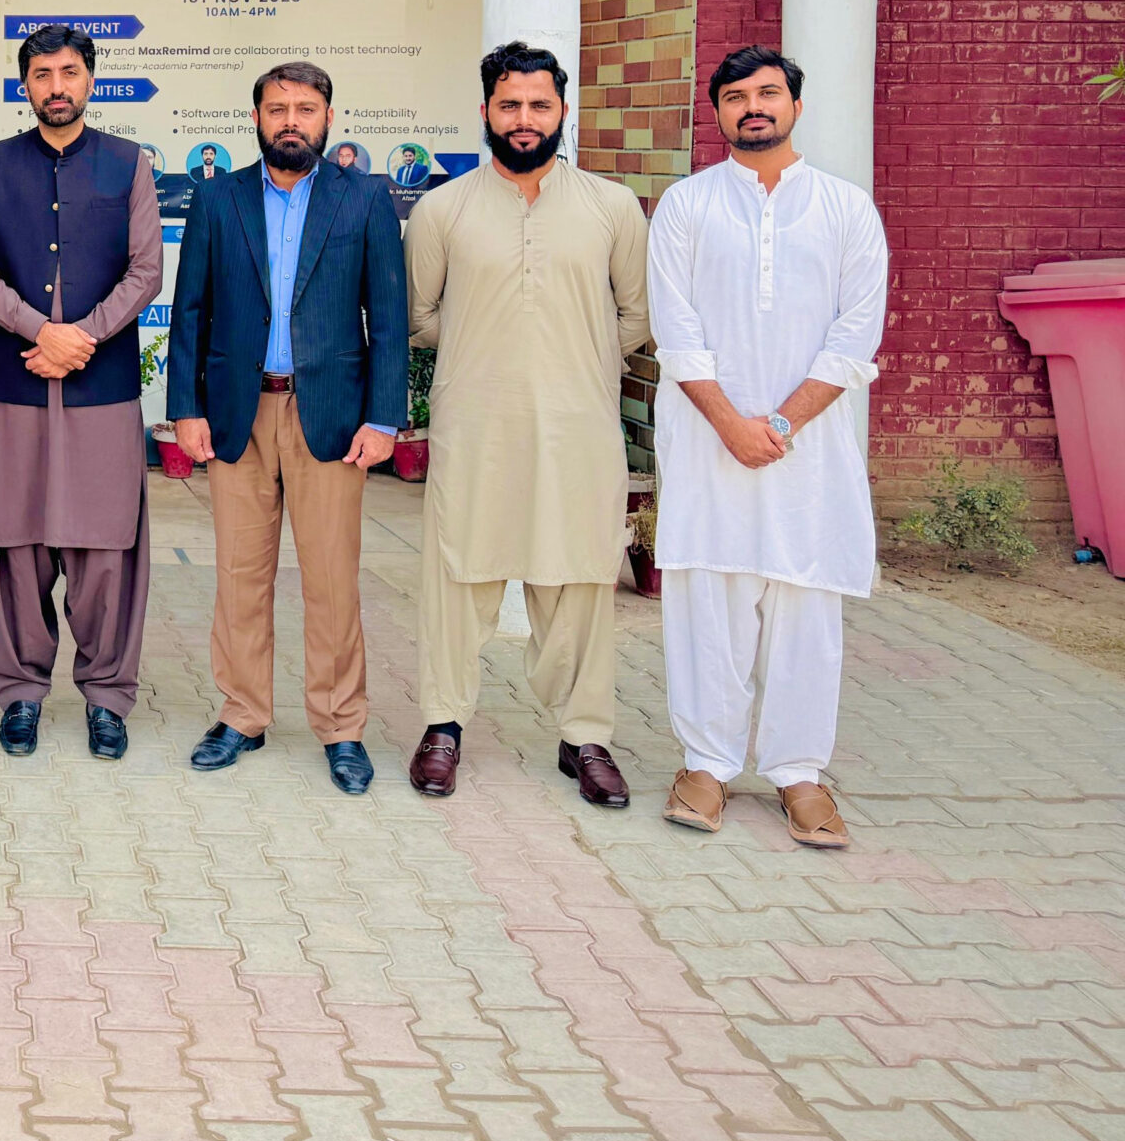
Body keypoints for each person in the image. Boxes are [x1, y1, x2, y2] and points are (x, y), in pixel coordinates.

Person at [647, 47, 888, 849]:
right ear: (715, 112)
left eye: (769, 94)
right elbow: (675, 331)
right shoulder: (686, 206)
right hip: (709, 442)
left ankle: (798, 773)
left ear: (795, 106)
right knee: (707, 604)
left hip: (805, 453)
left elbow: (857, 334)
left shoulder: (848, 209)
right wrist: (729, 423)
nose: (754, 107)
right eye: (737, 97)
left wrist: (779, 424)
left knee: (805, 604)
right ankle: (706, 763)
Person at [404, 42, 650, 807]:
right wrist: (495, 341)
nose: (523, 119)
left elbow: (637, 317)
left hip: (579, 429)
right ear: (484, 111)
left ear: (563, 111)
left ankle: (585, 736)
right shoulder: (444, 207)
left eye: (539, 105)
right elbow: (420, 317)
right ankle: (443, 726)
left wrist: (563, 354)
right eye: (508, 105)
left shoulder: (611, 208)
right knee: (457, 573)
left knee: (579, 577)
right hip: (475, 424)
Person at [167, 61, 406, 792]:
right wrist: (185, 407)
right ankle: (242, 715)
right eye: (278, 108)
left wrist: (385, 417)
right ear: (256, 119)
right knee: (240, 577)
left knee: (332, 580)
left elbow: (390, 321)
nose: (291, 120)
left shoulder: (365, 198)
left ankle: (341, 727)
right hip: (240, 412)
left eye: (306, 108)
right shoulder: (217, 198)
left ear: (328, 119)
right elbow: (191, 311)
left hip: (329, 415)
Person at [0, 23, 164, 760]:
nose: (56, 86)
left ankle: (107, 696)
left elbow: (146, 273)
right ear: (25, 87)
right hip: (9, 383)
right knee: (13, 539)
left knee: (107, 543)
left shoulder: (128, 164)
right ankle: (19, 692)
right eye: (42, 75)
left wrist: (83, 338)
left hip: (100, 385)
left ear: (90, 80)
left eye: (69, 72)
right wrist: (39, 331)